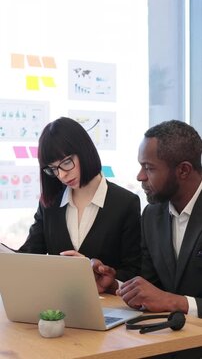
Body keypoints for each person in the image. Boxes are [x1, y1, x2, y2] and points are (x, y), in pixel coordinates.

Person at [92, 120, 202, 319]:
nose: (140, 176)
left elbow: (165, 298)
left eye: (149, 168)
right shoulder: (152, 216)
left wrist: (176, 302)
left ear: (183, 170)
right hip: (167, 340)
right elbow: (152, 289)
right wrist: (114, 285)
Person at [17, 117, 141, 282]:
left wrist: (96, 273)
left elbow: (134, 272)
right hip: (56, 305)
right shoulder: (51, 203)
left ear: (84, 150)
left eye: (66, 162)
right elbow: (28, 256)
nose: (61, 175)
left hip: (108, 305)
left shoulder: (125, 203)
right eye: (53, 169)